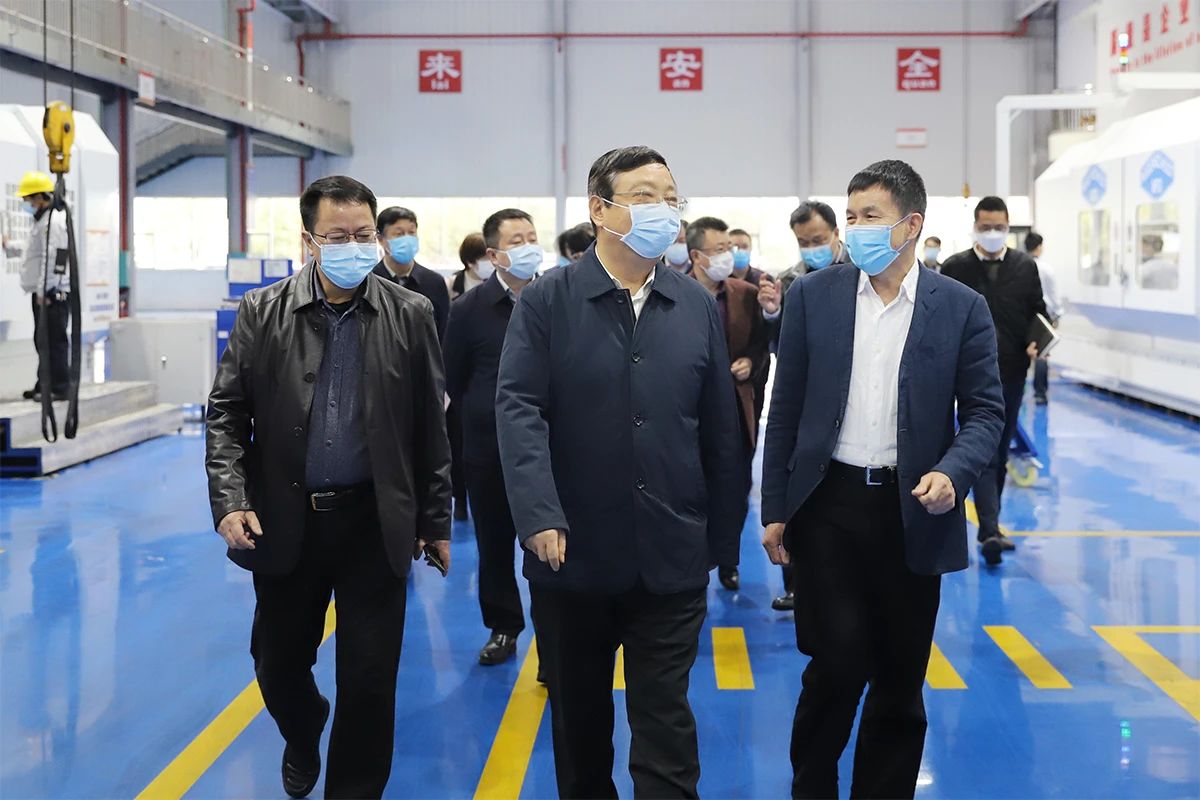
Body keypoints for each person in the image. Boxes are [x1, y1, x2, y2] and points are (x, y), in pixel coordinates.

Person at [497, 146, 747, 799]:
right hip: (572, 556)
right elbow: (519, 411)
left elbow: (719, 429)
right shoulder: (548, 302)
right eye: (643, 196)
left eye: (669, 197)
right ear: (599, 210)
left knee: (667, 732)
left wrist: (722, 538)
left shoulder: (693, 305)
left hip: (672, 555)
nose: (662, 210)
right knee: (581, 733)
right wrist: (539, 513)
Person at [761, 159, 1004, 800]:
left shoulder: (961, 308)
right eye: (851, 216)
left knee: (899, 679)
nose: (856, 228)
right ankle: (812, 785)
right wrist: (775, 509)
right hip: (829, 507)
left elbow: (985, 412)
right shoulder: (814, 297)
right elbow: (785, 410)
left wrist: (952, 473)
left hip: (912, 510)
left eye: (871, 216)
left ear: (911, 224)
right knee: (836, 664)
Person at [206, 176, 452, 800]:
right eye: (338, 236)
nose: (354, 246)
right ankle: (304, 725)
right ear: (309, 241)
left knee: (370, 679)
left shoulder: (410, 313)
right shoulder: (263, 311)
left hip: (375, 519)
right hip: (287, 517)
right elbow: (227, 412)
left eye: (363, 234)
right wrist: (231, 499)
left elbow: (430, 423)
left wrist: (435, 519)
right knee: (278, 663)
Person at [443, 208, 540, 666]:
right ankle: (504, 626)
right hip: (489, 449)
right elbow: (455, 378)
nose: (529, 247)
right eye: (517, 241)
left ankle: (555, 640)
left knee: (552, 544)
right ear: (494, 254)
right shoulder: (468, 309)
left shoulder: (555, 299)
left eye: (532, 237)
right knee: (495, 545)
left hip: (550, 449)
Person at [941, 196, 1047, 565]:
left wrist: (1039, 341)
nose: (992, 233)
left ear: (1007, 226)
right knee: (973, 446)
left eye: (998, 227)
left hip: (1011, 371)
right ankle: (986, 528)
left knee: (998, 450)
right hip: (961, 372)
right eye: (985, 227)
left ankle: (990, 525)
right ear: (975, 226)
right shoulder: (955, 268)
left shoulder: (1024, 267)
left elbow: (1039, 312)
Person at [757, 199, 850, 612]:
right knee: (798, 492)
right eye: (804, 242)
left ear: (835, 234)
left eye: (818, 239)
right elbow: (779, 347)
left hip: (848, 403)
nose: (812, 248)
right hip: (806, 402)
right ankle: (796, 583)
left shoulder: (863, 274)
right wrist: (772, 313)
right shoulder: (790, 282)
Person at [687, 216, 770, 592]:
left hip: (735, 408)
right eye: (718, 249)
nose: (728, 256)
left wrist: (751, 362)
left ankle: (727, 559)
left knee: (734, 488)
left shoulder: (745, 293)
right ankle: (693, 561)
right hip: (688, 409)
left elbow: (761, 344)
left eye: (729, 248)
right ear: (697, 256)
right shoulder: (674, 293)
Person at [14, 171, 70, 402]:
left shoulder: (53, 222)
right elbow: (35, 253)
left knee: (54, 341)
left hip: (51, 294)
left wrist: (46, 289)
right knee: (42, 341)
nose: (27, 204)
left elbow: (56, 257)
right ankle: (44, 384)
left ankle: (60, 387)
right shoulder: (42, 221)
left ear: (39, 197)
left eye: (28, 199)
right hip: (42, 292)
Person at [373, 206, 451, 340]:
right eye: (399, 234)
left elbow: (443, 331)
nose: (407, 239)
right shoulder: (370, 280)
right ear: (380, 239)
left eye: (411, 232)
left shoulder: (434, 282)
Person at [1024, 232, 1062, 405]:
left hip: (1022, 316)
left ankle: (1019, 391)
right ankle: (1040, 393)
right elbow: (1053, 296)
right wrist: (1057, 315)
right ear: (1039, 247)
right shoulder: (1046, 269)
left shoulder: (1018, 266)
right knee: (1042, 354)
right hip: (1042, 317)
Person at [447, 232, 492, 301]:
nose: (492, 263)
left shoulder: (498, 284)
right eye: (486, 259)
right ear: (470, 262)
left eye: (492, 257)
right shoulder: (450, 285)